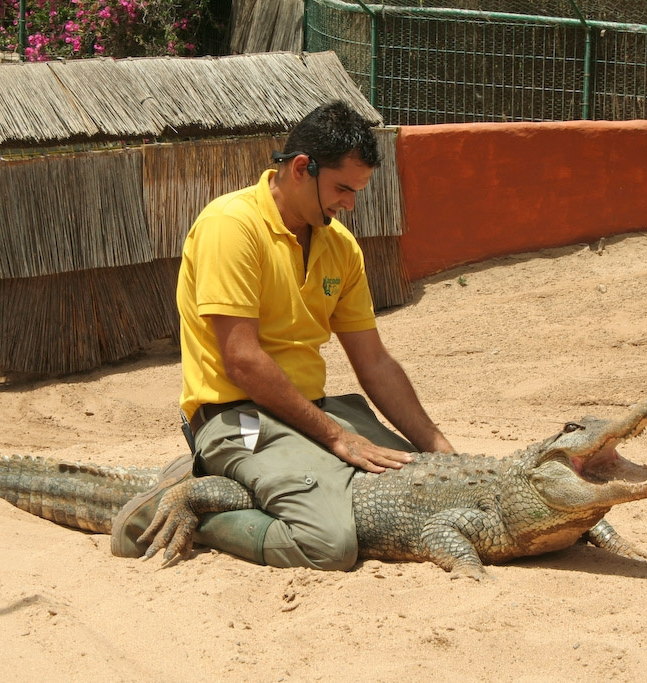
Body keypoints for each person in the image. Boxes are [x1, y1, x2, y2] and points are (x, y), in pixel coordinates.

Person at [112, 100, 453, 570]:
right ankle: (191, 504)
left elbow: (374, 362)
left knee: (427, 485)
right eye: (342, 188)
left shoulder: (341, 247)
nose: (350, 204)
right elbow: (242, 361)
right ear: (300, 168)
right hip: (237, 420)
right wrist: (336, 437)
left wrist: (438, 448)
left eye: (358, 191)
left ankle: (267, 477)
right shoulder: (230, 226)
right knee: (329, 544)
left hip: (313, 412)